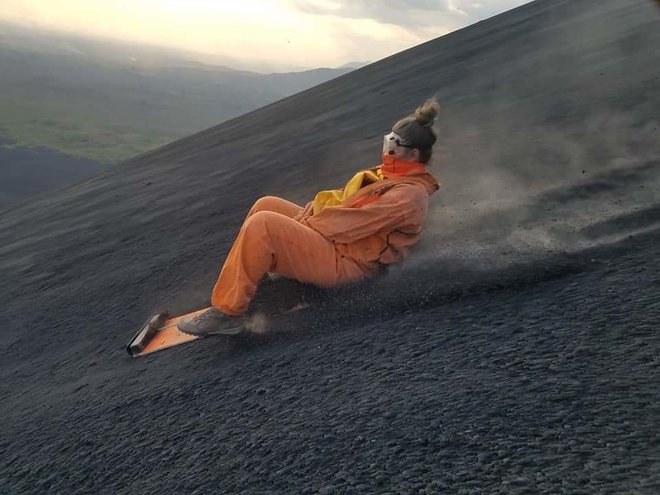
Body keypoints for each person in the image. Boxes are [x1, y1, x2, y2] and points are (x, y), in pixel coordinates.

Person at [177, 98, 441, 336]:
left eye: (393, 145)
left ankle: (228, 314)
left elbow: (347, 225)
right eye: (388, 141)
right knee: (265, 204)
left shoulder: (408, 195)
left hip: (351, 263)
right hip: (340, 246)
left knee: (263, 225)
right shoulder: (391, 175)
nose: (387, 150)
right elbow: (341, 203)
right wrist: (306, 215)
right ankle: (255, 280)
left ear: (414, 154)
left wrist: (303, 224)